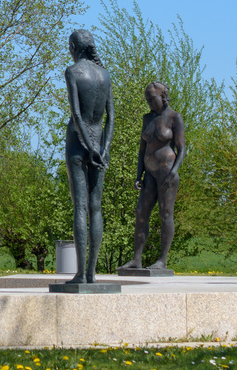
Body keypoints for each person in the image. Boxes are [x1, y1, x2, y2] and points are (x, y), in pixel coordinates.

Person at [63, 29, 114, 284]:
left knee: (80, 206)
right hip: (100, 141)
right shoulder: (104, 75)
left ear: (74, 46)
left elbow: (76, 114)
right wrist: (103, 148)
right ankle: (91, 274)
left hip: (78, 144)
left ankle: (81, 275)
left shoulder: (73, 72)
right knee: (96, 207)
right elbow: (111, 117)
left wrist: (87, 146)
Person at [123, 81, 187, 272]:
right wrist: (138, 175)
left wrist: (174, 171)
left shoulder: (175, 117)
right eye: (147, 99)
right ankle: (136, 259)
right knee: (141, 212)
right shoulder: (147, 119)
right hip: (149, 173)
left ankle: (163, 260)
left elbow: (182, 148)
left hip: (166, 172)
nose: (149, 103)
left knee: (165, 213)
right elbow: (141, 150)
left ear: (163, 96)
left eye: (152, 99)